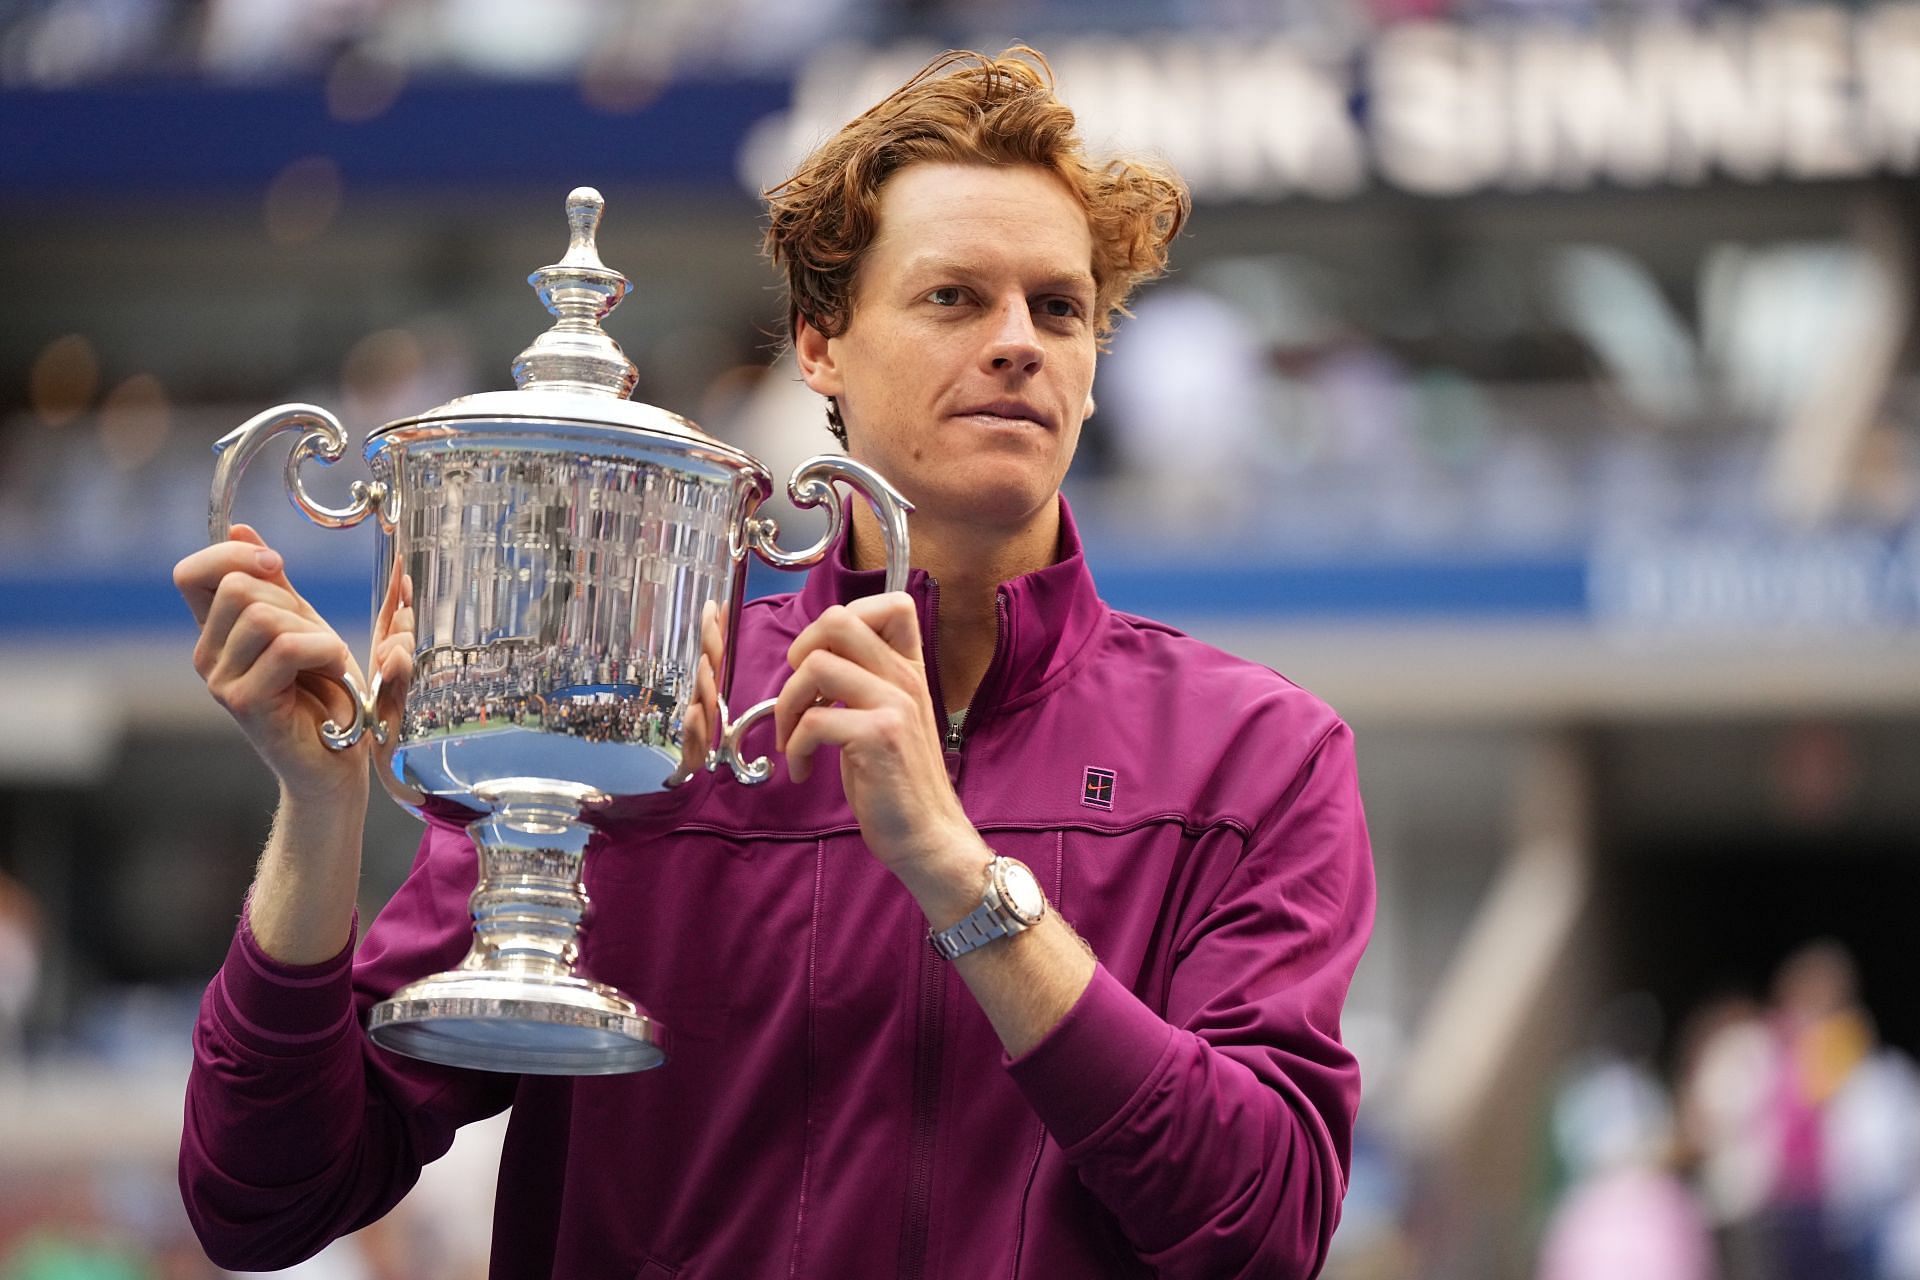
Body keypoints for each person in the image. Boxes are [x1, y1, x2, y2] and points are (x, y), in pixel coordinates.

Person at [171, 48, 1375, 1279]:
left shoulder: (1256, 757)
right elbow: (261, 1194)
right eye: (954, 296)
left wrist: (960, 875)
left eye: (1059, 308)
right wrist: (318, 809)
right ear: (820, 345)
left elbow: (1263, 1227)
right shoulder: (634, 707)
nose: (1019, 342)